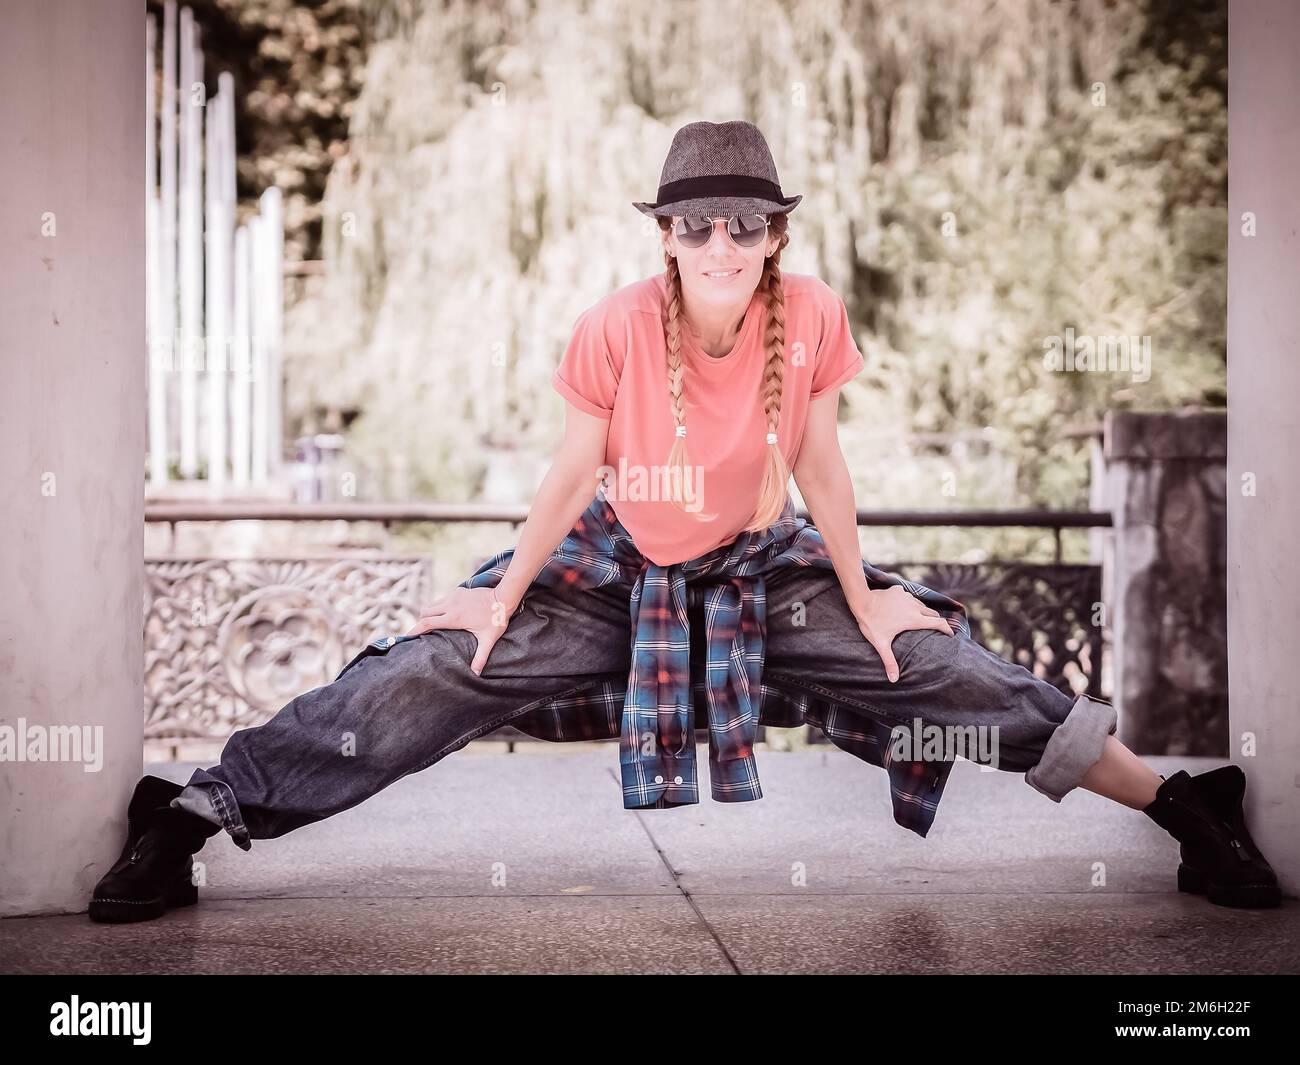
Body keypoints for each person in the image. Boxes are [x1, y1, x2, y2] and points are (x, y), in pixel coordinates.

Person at [89, 121, 1279, 924]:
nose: (721, 243)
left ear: (775, 236)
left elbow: (817, 456)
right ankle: (192, 812)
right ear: (664, 233)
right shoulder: (613, 325)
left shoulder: (805, 312)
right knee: (428, 676)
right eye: (696, 224)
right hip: (612, 572)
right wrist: (499, 597)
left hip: (767, 569)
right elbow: (568, 477)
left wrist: (867, 594)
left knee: (941, 675)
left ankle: (1184, 805)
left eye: (745, 225)